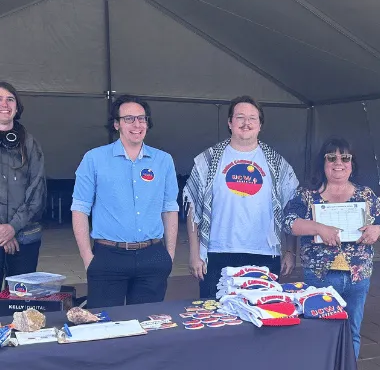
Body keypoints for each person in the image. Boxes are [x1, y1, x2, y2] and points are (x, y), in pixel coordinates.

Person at [283, 137, 380, 358]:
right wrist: (318, 228)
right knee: (320, 331)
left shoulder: (366, 195)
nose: (338, 162)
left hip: (358, 276)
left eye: (345, 157)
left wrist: (377, 230)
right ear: (322, 164)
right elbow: (288, 223)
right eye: (331, 157)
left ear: (353, 163)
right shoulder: (307, 194)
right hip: (320, 276)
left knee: (352, 331)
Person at [184, 95, 298, 298]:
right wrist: (194, 254)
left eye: (253, 118)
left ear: (260, 124)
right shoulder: (207, 161)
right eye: (240, 117)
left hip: (264, 252)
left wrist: (289, 251)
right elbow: (193, 208)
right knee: (216, 318)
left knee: (261, 317)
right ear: (229, 122)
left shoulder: (278, 165)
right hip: (217, 252)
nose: (246, 123)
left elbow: (290, 210)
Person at [71, 95, 179, 307]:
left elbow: (169, 208)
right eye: (129, 118)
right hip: (108, 257)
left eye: (142, 118)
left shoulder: (163, 160)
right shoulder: (94, 159)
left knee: (148, 324)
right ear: (116, 123)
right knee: (104, 326)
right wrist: (88, 258)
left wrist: (169, 255)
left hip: (153, 256)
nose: (137, 124)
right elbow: (80, 209)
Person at [0, 82, 46, 285]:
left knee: (19, 305)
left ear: (17, 107)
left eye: (10, 99)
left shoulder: (30, 143)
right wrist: (3, 232)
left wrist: (12, 227)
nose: (5, 104)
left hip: (25, 238)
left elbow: (37, 190)